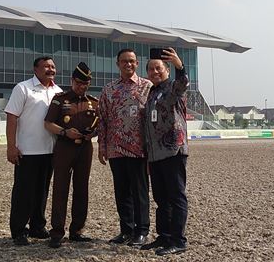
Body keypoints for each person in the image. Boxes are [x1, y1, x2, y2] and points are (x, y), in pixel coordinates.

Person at [4, 56, 63, 246]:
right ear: (35, 69)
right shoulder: (23, 88)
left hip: (50, 150)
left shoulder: (58, 91)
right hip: (27, 151)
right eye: (46, 66)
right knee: (23, 192)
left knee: (42, 191)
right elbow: (12, 117)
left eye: (53, 66)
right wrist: (11, 146)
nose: (50, 69)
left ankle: (38, 226)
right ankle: (19, 230)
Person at [97, 48, 152, 247]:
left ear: (137, 63)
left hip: (139, 150)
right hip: (116, 150)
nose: (128, 64)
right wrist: (102, 147)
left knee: (140, 192)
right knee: (121, 192)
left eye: (131, 61)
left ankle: (142, 230)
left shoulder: (148, 87)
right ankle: (126, 230)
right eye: (124, 61)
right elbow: (102, 120)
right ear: (118, 64)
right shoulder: (109, 89)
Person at [141, 47, 190, 256]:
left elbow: (182, 84)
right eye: (151, 69)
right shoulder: (152, 92)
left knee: (176, 196)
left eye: (159, 68)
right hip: (155, 154)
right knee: (161, 198)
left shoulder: (172, 87)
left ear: (167, 71)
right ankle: (164, 236)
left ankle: (178, 240)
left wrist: (180, 67)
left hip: (172, 151)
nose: (155, 72)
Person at [44, 62, 98, 248]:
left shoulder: (93, 102)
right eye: (79, 83)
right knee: (60, 189)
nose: (82, 87)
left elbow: (99, 126)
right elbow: (48, 123)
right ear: (72, 81)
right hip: (64, 148)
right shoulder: (60, 99)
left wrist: (94, 133)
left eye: (86, 84)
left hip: (85, 149)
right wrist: (65, 132)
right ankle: (57, 232)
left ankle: (77, 230)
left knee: (82, 189)